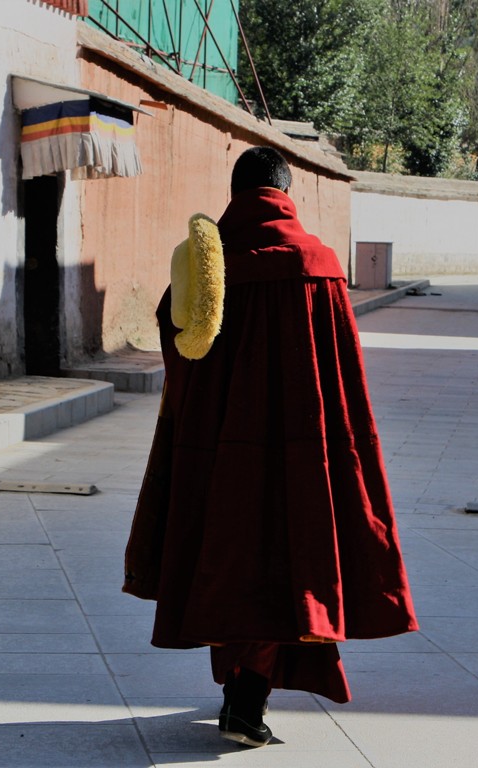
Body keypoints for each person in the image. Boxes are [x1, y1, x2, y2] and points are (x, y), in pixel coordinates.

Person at [123, 146, 417, 748]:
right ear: (287, 195)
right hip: (301, 450)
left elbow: (180, 348)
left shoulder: (205, 265)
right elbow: (344, 376)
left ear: (236, 195)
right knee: (288, 559)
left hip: (217, 448)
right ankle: (244, 698)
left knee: (228, 556)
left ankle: (241, 691)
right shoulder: (321, 264)